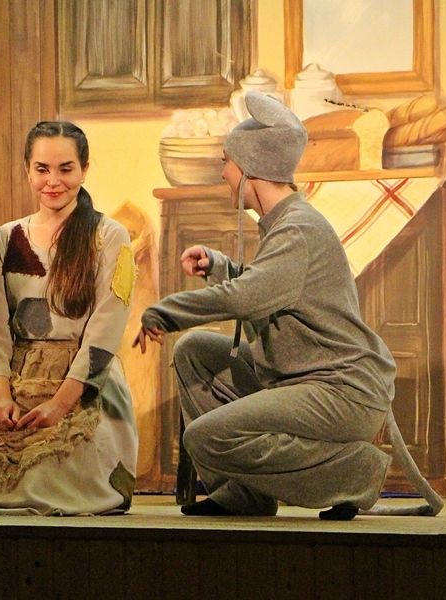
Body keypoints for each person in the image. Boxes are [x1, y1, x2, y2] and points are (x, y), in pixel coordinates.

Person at [134, 91, 397, 520]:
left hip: (341, 390)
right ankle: (243, 494)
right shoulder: (285, 224)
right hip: (299, 379)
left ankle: (353, 471)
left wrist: (166, 312)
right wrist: (220, 266)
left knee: (203, 438)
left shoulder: (298, 229)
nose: (223, 172)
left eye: (226, 162)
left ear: (249, 169)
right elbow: (272, 286)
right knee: (194, 351)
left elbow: (247, 296)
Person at [0, 121, 138, 515]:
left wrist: (60, 405)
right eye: (42, 169)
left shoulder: (109, 236)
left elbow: (105, 330)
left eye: (66, 169)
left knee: (49, 484)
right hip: (17, 378)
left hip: (83, 384)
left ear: (84, 169)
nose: (53, 181)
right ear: (27, 171)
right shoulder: (7, 238)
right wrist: (1, 398)